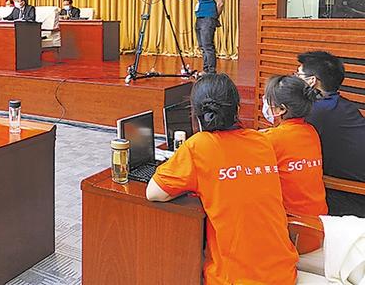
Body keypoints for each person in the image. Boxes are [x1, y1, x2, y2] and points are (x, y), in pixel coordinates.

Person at [146, 73, 298, 284]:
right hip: (284, 273)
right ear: (237, 109)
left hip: (236, 279)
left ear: (196, 113)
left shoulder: (198, 146)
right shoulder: (261, 141)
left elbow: (153, 193)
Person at [296, 51, 365, 217]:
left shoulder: (315, 112)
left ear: (311, 81)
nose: (294, 79)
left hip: (350, 197)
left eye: (298, 75)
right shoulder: (344, 106)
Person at [261, 75, 328, 217]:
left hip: (293, 220)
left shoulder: (271, 139)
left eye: (268, 100)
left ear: (281, 109)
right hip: (320, 215)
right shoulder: (311, 131)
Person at [193, 0, 224, 74]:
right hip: (200, 17)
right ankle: (206, 70)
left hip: (208, 18)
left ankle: (210, 71)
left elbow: (220, 3)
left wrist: (215, 17)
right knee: (202, 46)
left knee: (207, 46)